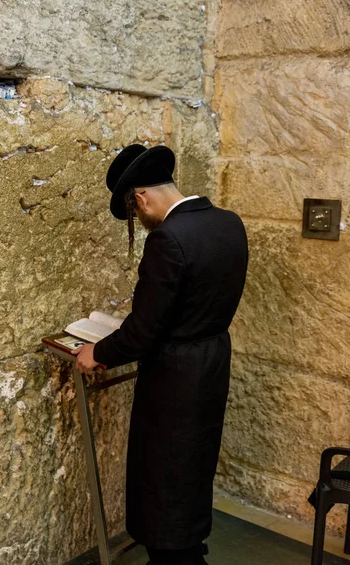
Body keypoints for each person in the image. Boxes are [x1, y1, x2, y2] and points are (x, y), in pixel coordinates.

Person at [73, 144, 248, 565]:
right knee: (192, 470)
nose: (141, 222)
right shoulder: (228, 223)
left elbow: (143, 331)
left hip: (174, 379)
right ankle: (187, 549)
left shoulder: (168, 239)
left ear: (140, 197)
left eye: (135, 214)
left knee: (164, 479)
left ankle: (175, 558)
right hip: (211, 363)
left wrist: (97, 351)